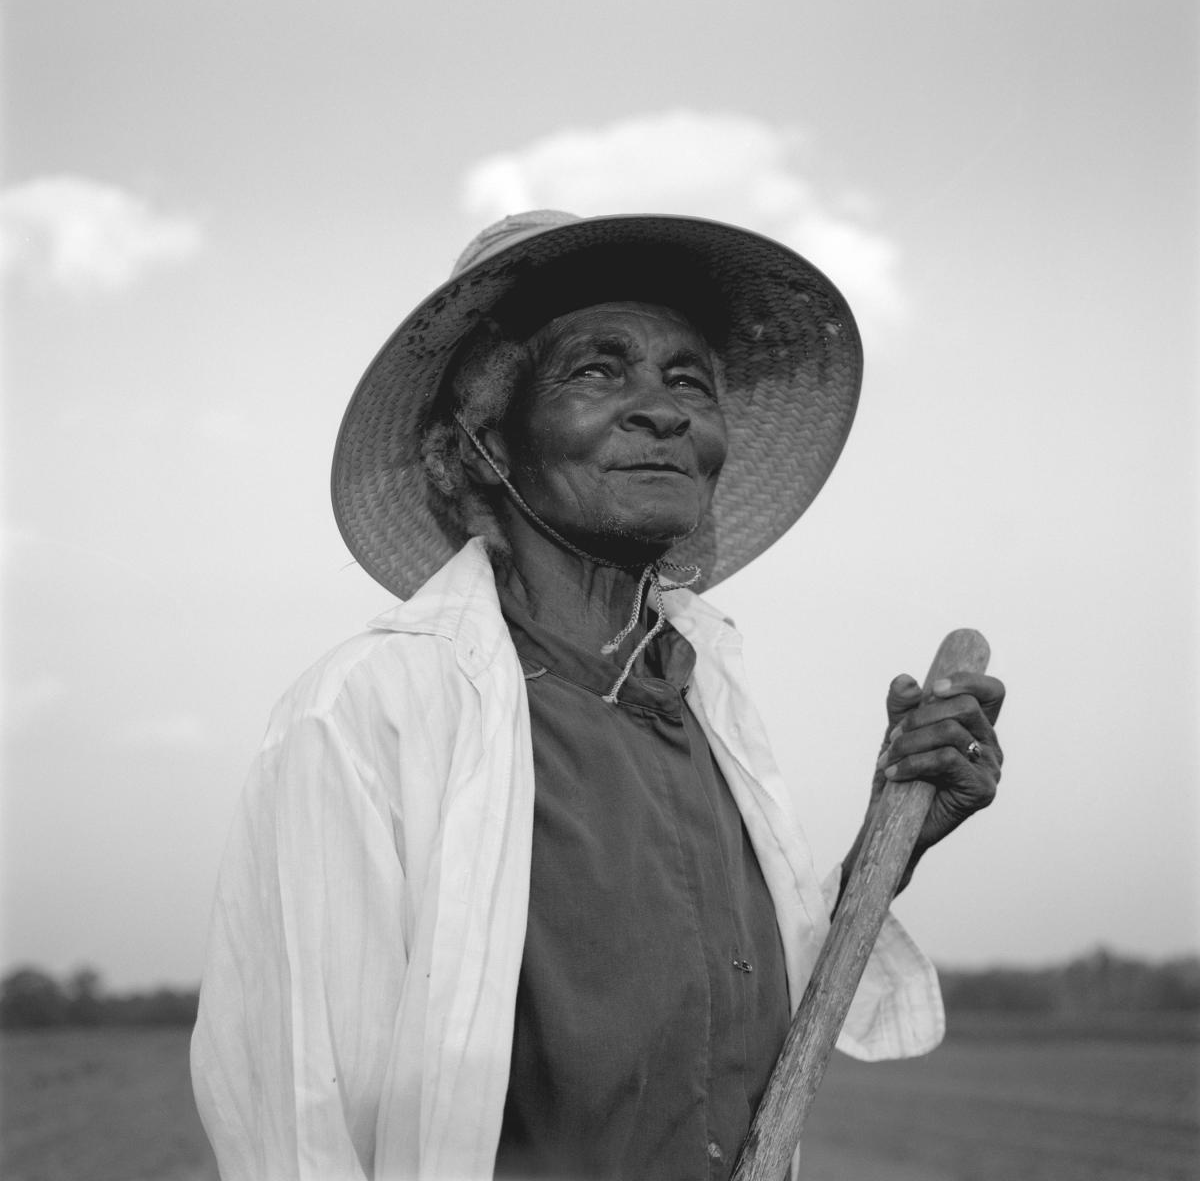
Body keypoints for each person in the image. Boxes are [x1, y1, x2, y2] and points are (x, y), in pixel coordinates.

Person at [191, 210, 1004, 1181]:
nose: (662, 409)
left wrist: (895, 836)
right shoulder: (374, 712)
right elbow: (297, 1119)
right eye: (596, 370)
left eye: (688, 380)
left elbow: (751, 1012)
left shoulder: (707, 703)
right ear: (482, 441)